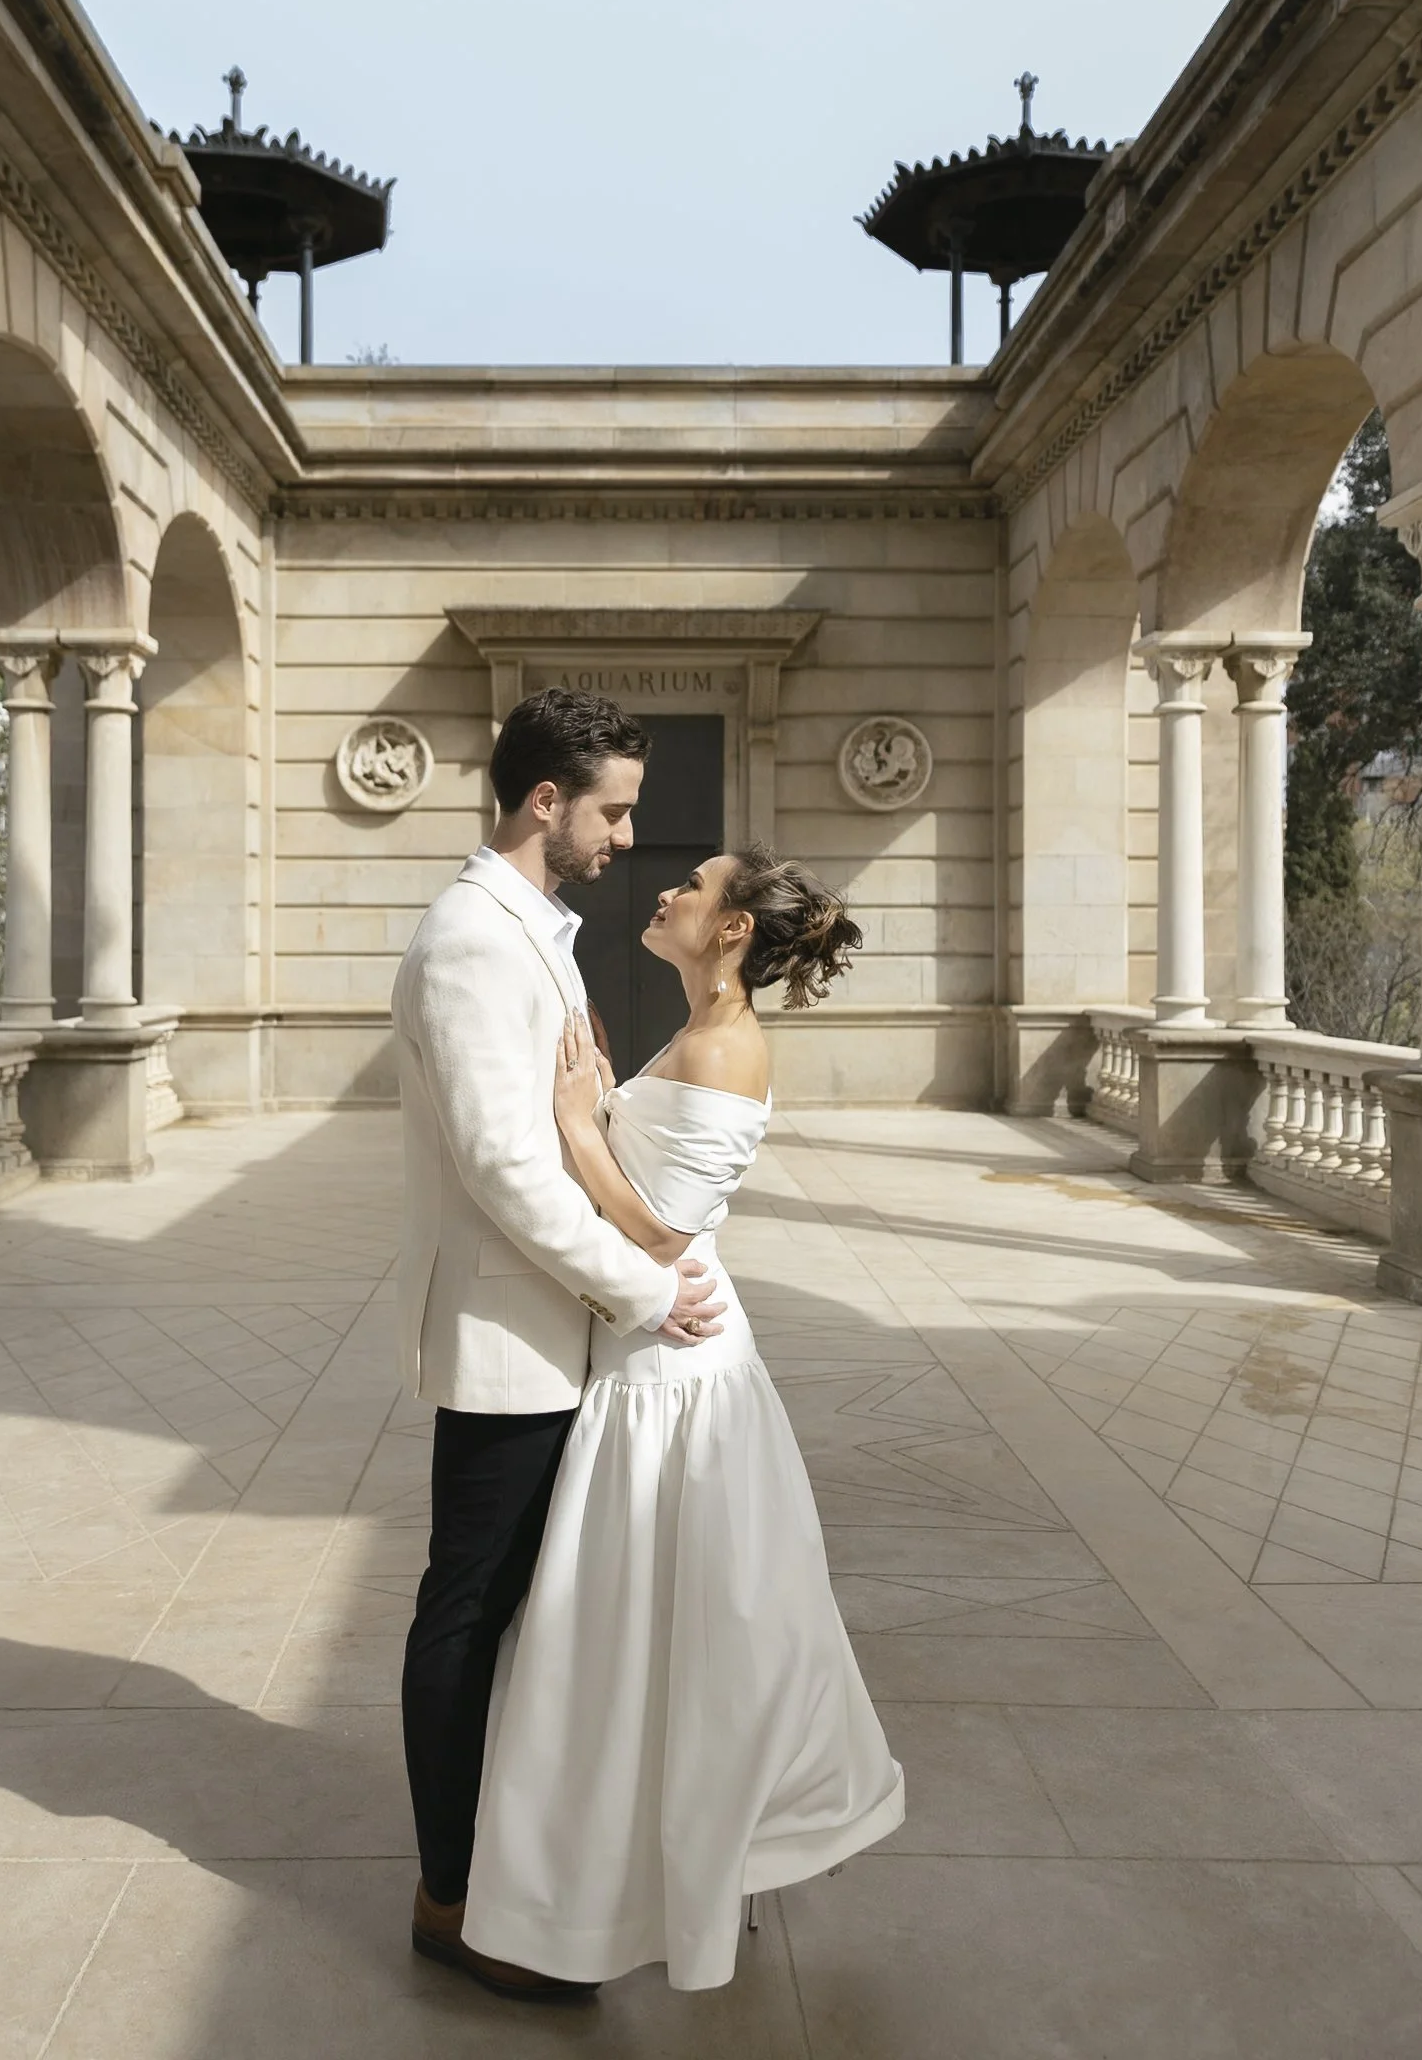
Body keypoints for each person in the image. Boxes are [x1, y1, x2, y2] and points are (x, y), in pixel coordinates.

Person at [462, 843, 905, 1993]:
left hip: (674, 1366)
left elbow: (661, 1230)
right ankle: (628, 1879)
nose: (665, 891)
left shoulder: (724, 1042)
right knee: (640, 1635)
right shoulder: (696, 1031)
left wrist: (574, 1123)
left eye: (693, 887)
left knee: (644, 1635)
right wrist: (607, 1097)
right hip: (654, 1348)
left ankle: (641, 1879)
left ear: (733, 930)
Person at [392, 687, 728, 2002]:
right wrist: (644, 1293)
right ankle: (450, 1902)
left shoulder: (530, 928)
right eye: (613, 808)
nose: (625, 833)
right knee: (465, 1612)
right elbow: (499, 1170)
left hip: (549, 1331)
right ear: (544, 801)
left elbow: (558, 1135)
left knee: (511, 1613)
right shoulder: (473, 940)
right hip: (503, 1336)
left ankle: (510, 1875)